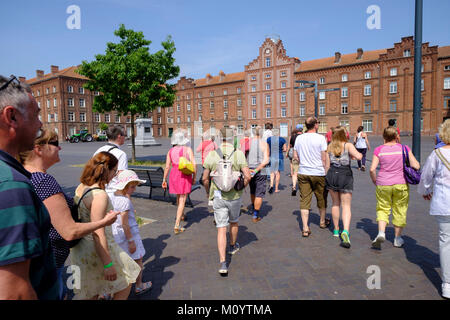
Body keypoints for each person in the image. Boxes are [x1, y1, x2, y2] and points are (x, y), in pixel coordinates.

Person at [19, 129, 120, 299]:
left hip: (38, 260)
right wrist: (104, 222)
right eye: (56, 144)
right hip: (50, 261)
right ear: (39, 149)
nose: (60, 148)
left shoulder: (24, 174)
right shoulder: (43, 181)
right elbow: (69, 231)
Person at [0, 75, 59, 299]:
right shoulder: (11, 186)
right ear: (12, 116)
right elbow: (14, 292)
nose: (41, 124)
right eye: (36, 115)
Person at [69, 152, 141, 300]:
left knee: (92, 290)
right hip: (96, 248)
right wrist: (108, 264)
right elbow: (98, 232)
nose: (114, 176)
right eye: (114, 171)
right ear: (106, 169)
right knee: (128, 278)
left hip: (83, 247)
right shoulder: (99, 195)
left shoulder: (82, 187)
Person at [202, 127, 251, 275]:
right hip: (234, 196)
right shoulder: (238, 154)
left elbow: (205, 178)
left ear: (219, 138)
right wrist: (241, 187)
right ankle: (232, 245)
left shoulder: (211, 154)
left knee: (221, 228)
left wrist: (208, 193)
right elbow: (248, 176)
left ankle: (223, 262)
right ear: (232, 139)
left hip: (218, 195)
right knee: (234, 221)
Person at [369, 126, 420, 249]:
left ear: (384, 137)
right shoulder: (404, 148)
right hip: (400, 184)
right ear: (397, 136)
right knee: (400, 209)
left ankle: (381, 233)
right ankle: (397, 238)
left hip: (383, 184)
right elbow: (416, 166)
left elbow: (372, 169)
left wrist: (375, 180)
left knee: (382, 208)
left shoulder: (379, 150)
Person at [418, 119, 450, 299]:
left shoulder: (437, 155)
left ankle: (447, 283)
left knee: (446, 242)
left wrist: (425, 191)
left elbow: (426, 177)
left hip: (444, 204)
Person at [109, 170, 153, 295]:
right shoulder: (125, 201)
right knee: (138, 259)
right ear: (125, 186)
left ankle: (110, 290)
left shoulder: (112, 196)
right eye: (132, 187)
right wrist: (131, 241)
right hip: (129, 235)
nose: (134, 189)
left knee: (119, 261)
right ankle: (138, 285)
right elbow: (125, 224)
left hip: (116, 235)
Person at [325, 126, 362, 248]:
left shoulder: (329, 147)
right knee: (346, 205)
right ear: (343, 134)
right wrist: (353, 155)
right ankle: (345, 230)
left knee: (335, 203)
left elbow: (326, 165)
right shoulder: (348, 145)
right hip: (345, 174)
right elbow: (359, 157)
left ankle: (336, 230)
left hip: (332, 174)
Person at [293, 117, 330, 237]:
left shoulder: (299, 138)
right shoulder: (321, 138)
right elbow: (324, 157)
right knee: (321, 198)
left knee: (304, 200)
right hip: (318, 172)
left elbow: (295, 156)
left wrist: (304, 161)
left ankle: (305, 228)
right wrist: (325, 171)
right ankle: (322, 222)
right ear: (315, 125)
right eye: (318, 123)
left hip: (304, 172)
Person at [162, 128, 196, 234]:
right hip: (184, 174)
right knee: (182, 199)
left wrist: (164, 179)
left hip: (174, 174)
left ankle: (181, 215)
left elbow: (167, 167)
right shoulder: (187, 150)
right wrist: (194, 176)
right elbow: (194, 164)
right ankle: (177, 225)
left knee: (178, 196)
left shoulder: (170, 151)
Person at [93, 125, 128, 193]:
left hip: (98, 189)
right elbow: (122, 177)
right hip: (113, 191)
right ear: (119, 136)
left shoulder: (98, 150)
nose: (125, 137)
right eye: (124, 135)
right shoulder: (121, 154)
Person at [247, 126, 270, 222]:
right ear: (262, 133)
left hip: (249, 169)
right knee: (259, 192)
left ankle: (253, 208)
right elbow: (266, 160)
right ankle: (255, 215)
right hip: (261, 169)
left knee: (252, 190)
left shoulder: (248, 143)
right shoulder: (264, 144)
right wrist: (257, 170)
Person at [267, 128, 287, 194]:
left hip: (272, 156)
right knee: (277, 173)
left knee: (272, 172)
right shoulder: (282, 139)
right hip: (279, 157)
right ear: (278, 133)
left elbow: (267, 149)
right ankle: (276, 189)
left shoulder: (269, 139)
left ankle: (271, 185)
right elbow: (285, 149)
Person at [286, 126, 303, 196]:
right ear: (302, 130)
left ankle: (293, 186)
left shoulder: (292, 137)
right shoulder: (303, 137)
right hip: (302, 154)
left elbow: (289, 145)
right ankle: (302, 186)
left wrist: (287, 153)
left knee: (295, 172)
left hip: (293, 153)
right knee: (302, 171)